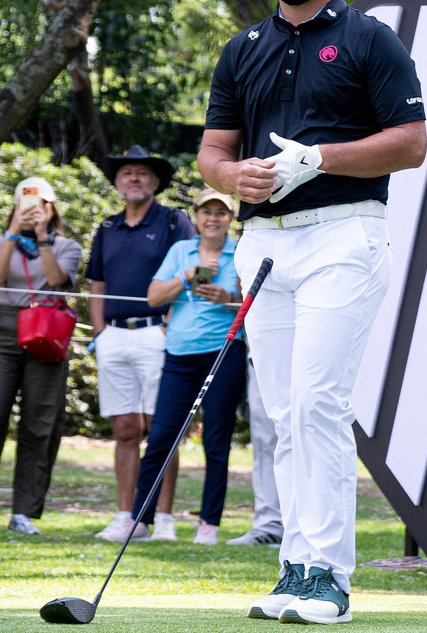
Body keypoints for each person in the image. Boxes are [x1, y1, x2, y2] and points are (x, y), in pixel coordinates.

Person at [199, 0, 427, 624]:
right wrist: (234, 178)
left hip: (344, 234)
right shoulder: (242, 49)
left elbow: (412, 142)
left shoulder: (370, 41)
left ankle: (329, 573)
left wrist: (321, 157)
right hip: (265, 241)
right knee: (283, 411)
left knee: (320, 403)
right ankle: (294, 567)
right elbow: (213, 151)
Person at [87, 146, 194, 542]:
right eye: (126, 172)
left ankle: (162, 517)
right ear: (117, 182)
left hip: (156, 332)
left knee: (160, 426)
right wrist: (98, 332)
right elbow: (96, 284)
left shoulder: (172, 221)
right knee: (126, 427)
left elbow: (188, 271)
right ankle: (126, 516)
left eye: (142, 173)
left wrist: (168, 326)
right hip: (113, 335)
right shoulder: (107, 228)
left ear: (156, 182)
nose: (134, 178)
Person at [129, 189, 246, 544]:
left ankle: (209, 523)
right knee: (162, 436)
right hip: (179, 354)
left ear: (230, 218)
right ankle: (139, 520)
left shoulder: (240, 253)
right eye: (206, 212)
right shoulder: (181, 251)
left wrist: (228, 299)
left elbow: (256, 304)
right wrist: (186, 277)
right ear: (195, 215)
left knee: (215, 439)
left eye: (221, 213)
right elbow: (152, 297)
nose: (213, 218)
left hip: (223, 354)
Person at [0, 177, 82, 535]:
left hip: (46, 331)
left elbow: (55, 279)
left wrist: (44, 236)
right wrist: (14, 231)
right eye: (24, 205)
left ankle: (24, 513)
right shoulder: (4, 242)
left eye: (39, 206)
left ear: (51, 209)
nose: (32, 212)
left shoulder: (67, 246)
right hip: (3, 328)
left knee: (40, 423)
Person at [225, 358, 283, 546]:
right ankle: (269, 525)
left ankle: (306, 528)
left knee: (308, 437)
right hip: (260, 356)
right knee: (264, 440)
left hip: (305, 353)